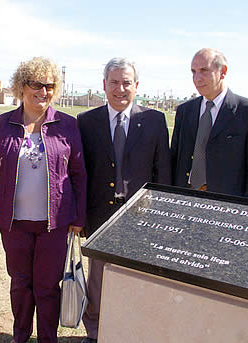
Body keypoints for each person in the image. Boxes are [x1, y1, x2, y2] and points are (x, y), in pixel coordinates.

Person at [0, 57, 86, 343]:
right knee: (21, 284)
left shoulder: (67, 125)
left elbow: (78, 174)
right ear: (21, 87)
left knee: (48, 286)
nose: (43, 91)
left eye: (49, 86)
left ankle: (48, 338)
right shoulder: (1, 125)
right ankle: (20, 336)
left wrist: (78, 218)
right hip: (14, 222)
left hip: (55, 222)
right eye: (36, 84)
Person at [77, 57, 171, 343]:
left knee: (135, 277)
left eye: (126, 82)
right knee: (98, 278)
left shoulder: (154, 120)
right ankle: (95, 332)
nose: (120, 89)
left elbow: (163, 171)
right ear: (104, 85)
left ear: (137, 86)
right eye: (114, 82)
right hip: (100, 212)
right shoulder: (87, 121)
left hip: (139, 214)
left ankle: (130, 330)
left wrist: (161, 215)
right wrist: (79, 216)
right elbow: (80, 173)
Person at [171, 48, 248, 199]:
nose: (197, 78)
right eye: (193, 71)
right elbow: (175, 158)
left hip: (225, 205)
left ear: (223, 72)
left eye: (204, 70)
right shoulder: (185, 111)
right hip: (185, 199)